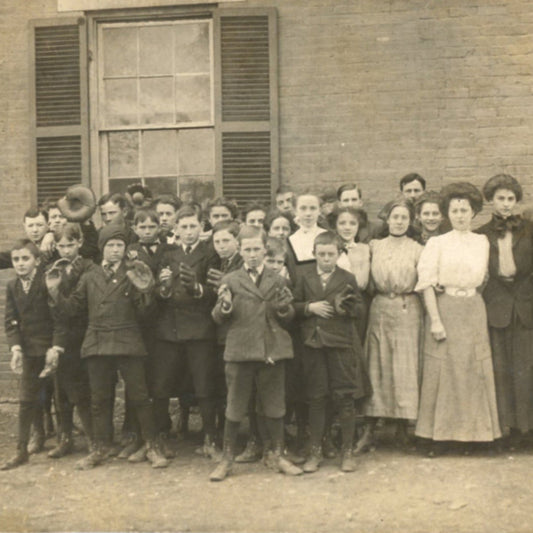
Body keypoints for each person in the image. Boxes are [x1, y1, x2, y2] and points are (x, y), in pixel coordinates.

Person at [46, 224, 169, 469]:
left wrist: (147, 291)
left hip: (128, 339)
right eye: (110, 245)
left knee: (140, 397)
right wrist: (54, 290)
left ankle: (152, 447)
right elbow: (71, 310)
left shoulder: (133, 272)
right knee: (99, 399)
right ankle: (99, 448)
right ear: (102, 248)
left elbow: (146, 315)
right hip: (97, 341)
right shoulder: (90, 276)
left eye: (120, 245)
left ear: (125, 248)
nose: (115, 250)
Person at [209, 225, 302, 481]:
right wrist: (225, 307)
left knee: (275, 405)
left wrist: (285, 310)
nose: (252, 254)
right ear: (239, 250)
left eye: (257, 249)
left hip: (271, 350)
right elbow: (217, 317)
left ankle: (278, 455)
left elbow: (288, 318)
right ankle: (227, 460)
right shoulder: (231, 280)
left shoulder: (278, 280)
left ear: (265, 250)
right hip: (241, 350)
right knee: (235, 406)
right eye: (247, 249)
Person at [415, 182, 501, 454]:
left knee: (474, 370)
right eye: (455, 210)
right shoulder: (437, 243)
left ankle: (477, 437)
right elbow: (426, 283)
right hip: (445, 309)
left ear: (473, 212)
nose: (460, 215)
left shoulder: (482, 241)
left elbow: (485, 279)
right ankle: (438, 438)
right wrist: (436, 319)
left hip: (473, 308)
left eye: (465, 210)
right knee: (443, 371)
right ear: (447, 213)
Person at [293, 231, 367, 473]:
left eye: (331, 254)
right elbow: (290, 306)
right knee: (316, 397)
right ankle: (315, 451)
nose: (326, 259)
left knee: (344, 396)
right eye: (321, 254)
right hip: (313, 344)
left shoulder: (347, 278)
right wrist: (308, 307)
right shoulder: (303, 277)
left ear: (339, 254)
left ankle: (347, 451)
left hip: (340, 344)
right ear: (314, 253)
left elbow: (359, 309)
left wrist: (344, 308)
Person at [356, 198, 423, 453]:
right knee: (377, 364)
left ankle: (403, 429)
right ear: (387, 219)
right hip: (381, 307)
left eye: (404, 217)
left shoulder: (418, 249)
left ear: (410, 221)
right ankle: (370, 429)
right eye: (395, 217)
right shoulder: (373, 246)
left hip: (408, 308)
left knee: (405, 367)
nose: (399, 222)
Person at [153, 205, 219, 460]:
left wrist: (197, 288)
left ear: (201, 228)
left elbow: (214, 291)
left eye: (193, 226)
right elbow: (158, 293)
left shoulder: (209, 254)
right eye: (184, 227)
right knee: (162, 385)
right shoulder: (167, 254)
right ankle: (160, 437)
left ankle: (210, 437)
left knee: (204, 385)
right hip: (169, 329)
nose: (189, 232)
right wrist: (165, 287)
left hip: (199, 328)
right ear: (176, 230)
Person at [477, 174, 533, 447]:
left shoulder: (530, 229)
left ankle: (528, 430)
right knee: (500, 370)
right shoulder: (480, 235)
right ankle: (504, 430)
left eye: (511, 199)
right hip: (496, 306)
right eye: (501, 198)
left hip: (525, 306)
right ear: (491, 201)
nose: (507, 204)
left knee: (526, 369)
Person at [1, 239, 66, 470]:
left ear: (37, 261)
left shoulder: (48, 281)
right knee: (26, 400)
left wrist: (56, 347)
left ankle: (67, 440)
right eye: (16, 259)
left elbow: (61, 318)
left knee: (63, 397)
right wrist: (16, 348)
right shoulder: (12, 286)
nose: (20, 264)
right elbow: (11, 321)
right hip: (29, 351)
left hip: (52, 349)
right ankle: (21, 451)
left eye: (25, 258)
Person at [46, 224, 95, 459]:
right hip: (58, 336)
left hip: (81, 336)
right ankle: (65, 439)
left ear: (79, 243)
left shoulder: (88, 268)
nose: (65, 250)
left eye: (70, 245)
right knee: (60, 392)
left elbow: (79, 307)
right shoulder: (52, 269)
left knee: (80, 392)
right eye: (61, 246)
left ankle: (94, 441)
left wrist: (56, 293)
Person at [286, 193, 327, 283]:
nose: (308, 213)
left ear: (319, 210)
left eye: (313, 208)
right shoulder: (290, 240)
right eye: (303, 208)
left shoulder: (328, 236)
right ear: (295, 211)